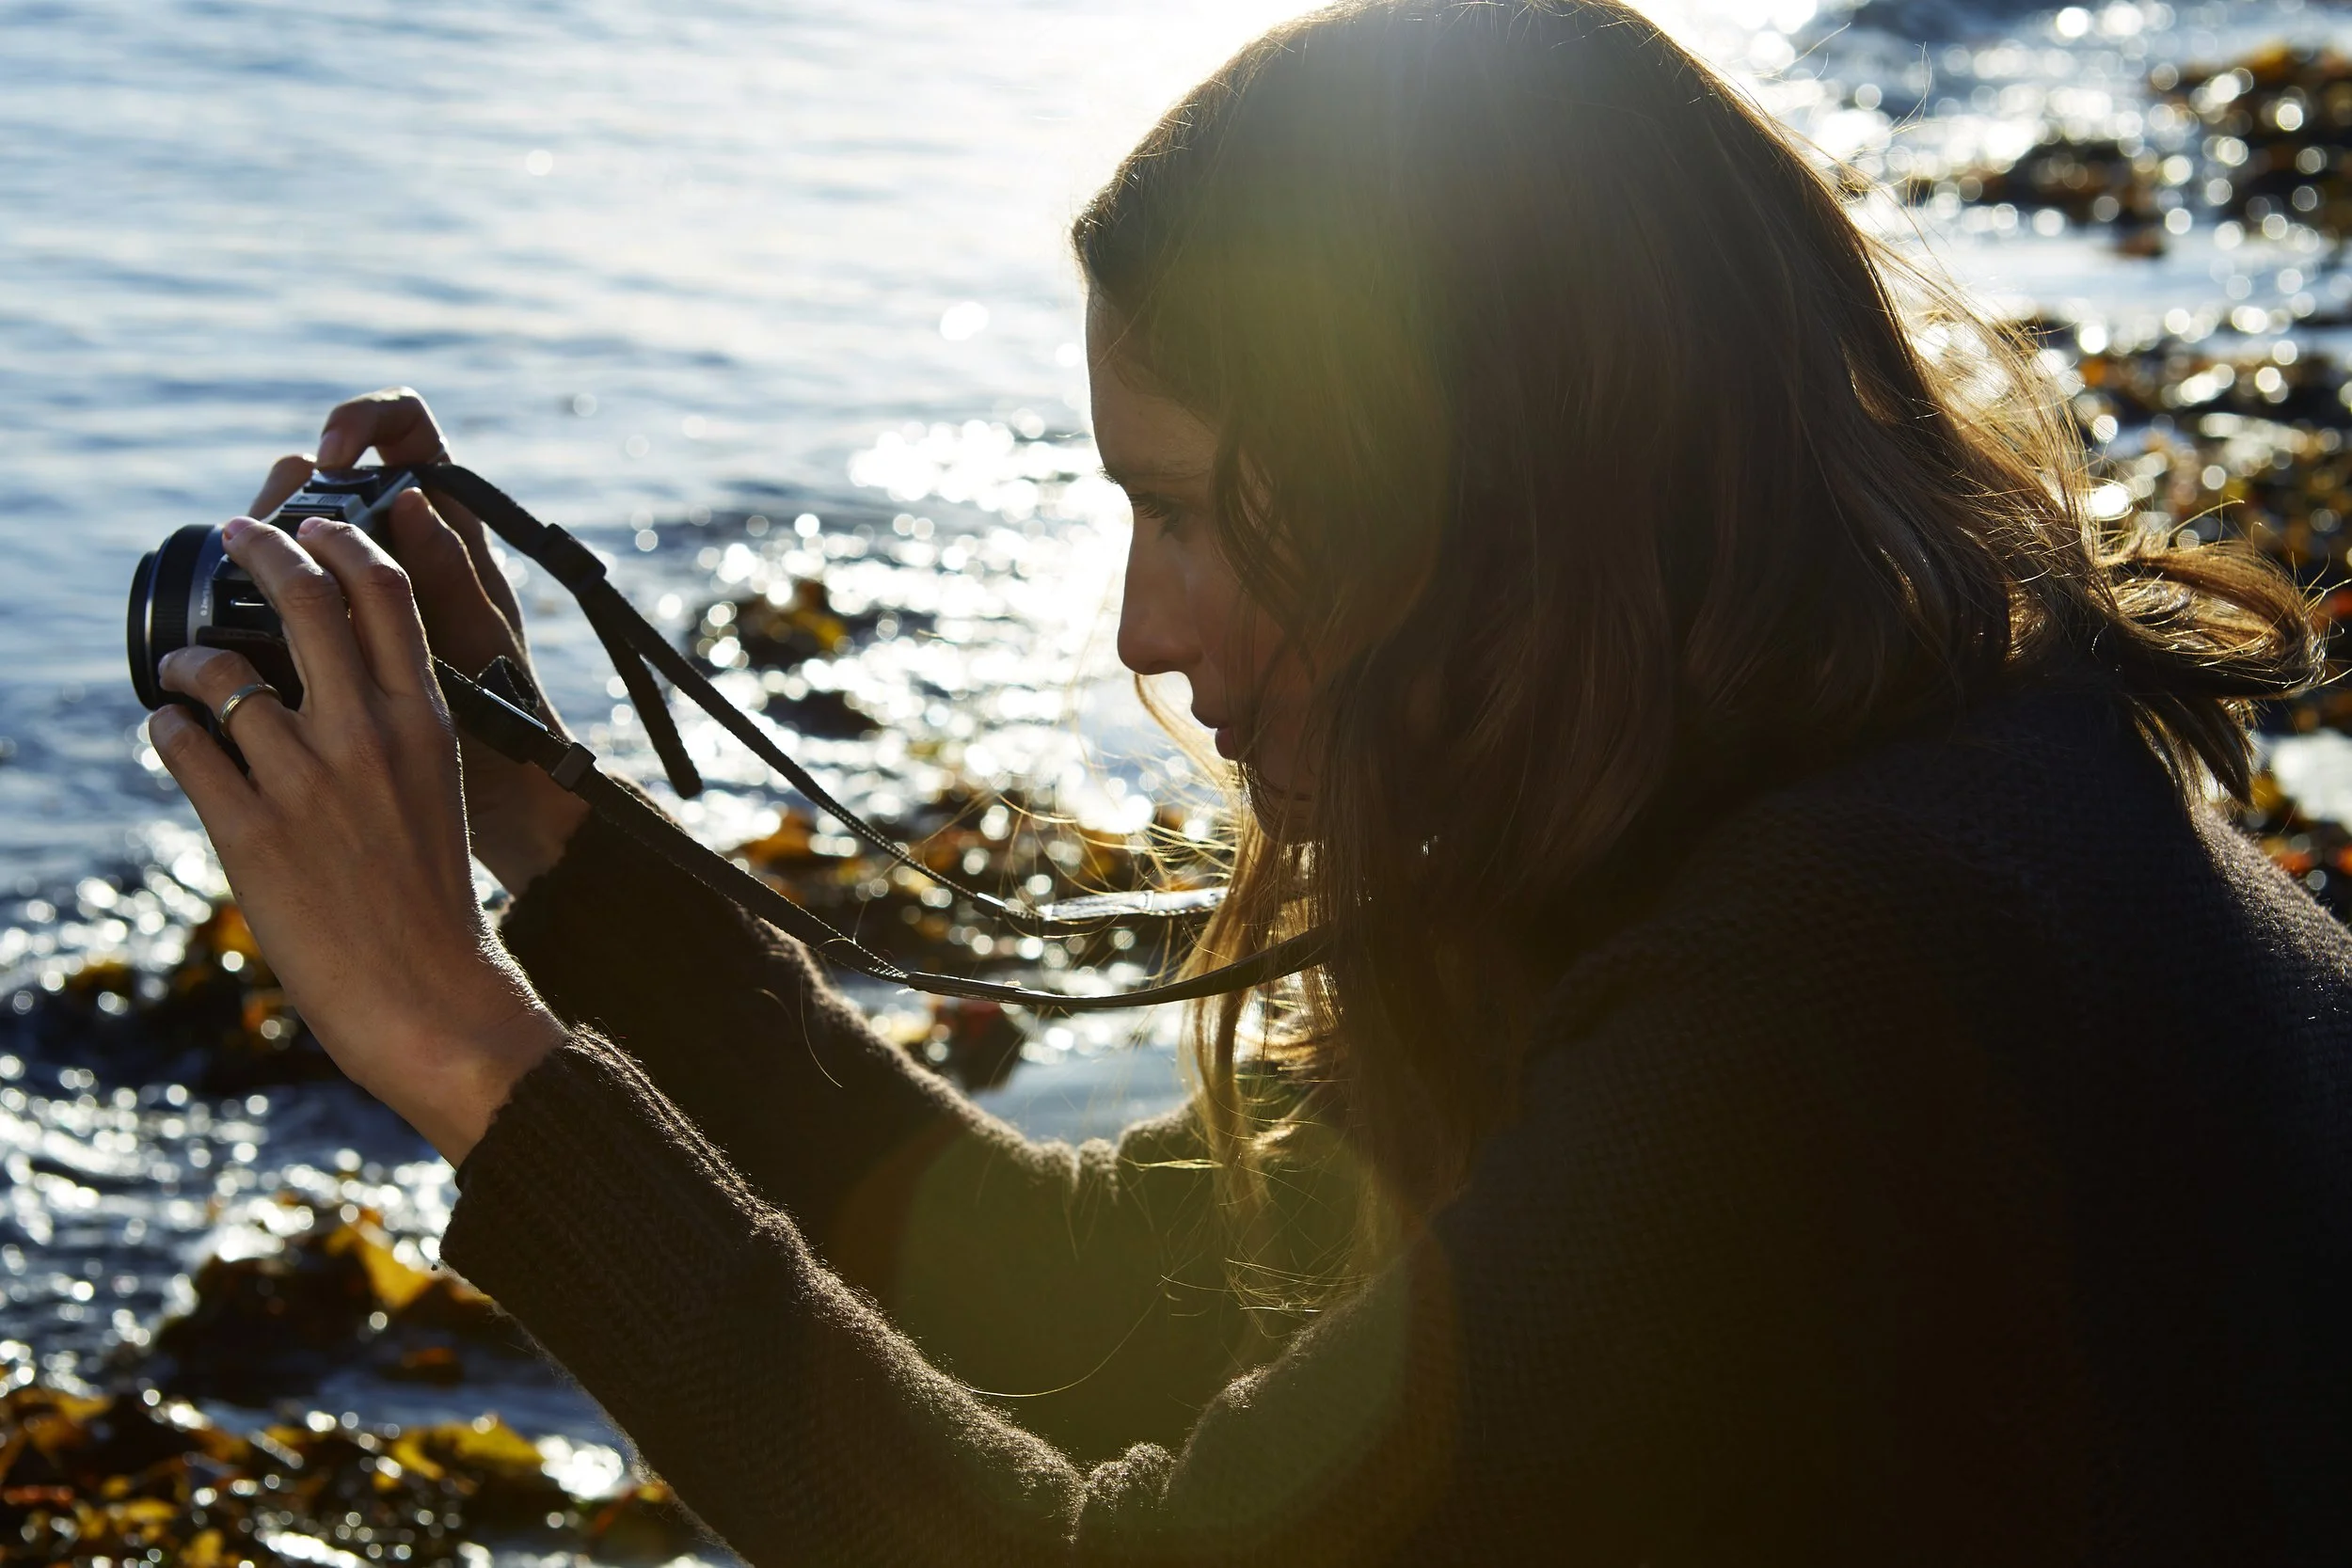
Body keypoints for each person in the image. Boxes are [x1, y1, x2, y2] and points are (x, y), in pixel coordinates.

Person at [144, 0, 2352, 1560]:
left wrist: (467, 1052)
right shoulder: (1895, 796)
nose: (1141, 624)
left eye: (1192, 508)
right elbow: (1082, 1297)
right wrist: (555, 833)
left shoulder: (1828, 1000)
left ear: (1488, 488)